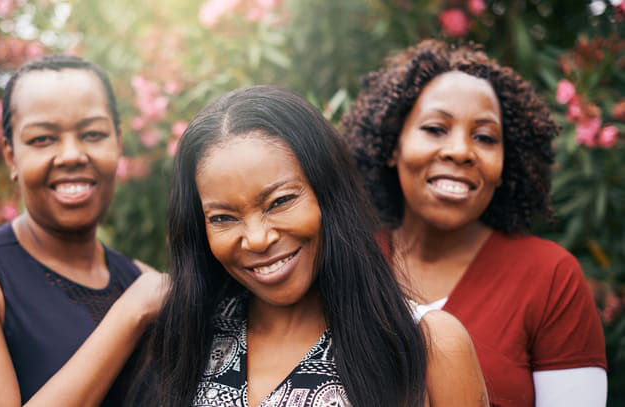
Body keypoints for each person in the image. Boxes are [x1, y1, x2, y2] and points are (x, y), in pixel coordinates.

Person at [126, 85, 488, 406]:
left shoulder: (428, 344)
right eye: (223, 218)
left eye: (280, 201)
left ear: (328, 194)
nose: (257, 238)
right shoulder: (191, 339)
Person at [341, 40, 607, 407]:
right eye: (435, 128)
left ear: (504, 166)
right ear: (392, 145)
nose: (461, 151)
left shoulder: (550, 278)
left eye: (484, 137)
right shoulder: (348, 261)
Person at [0, 55, 169, 406]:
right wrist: (130, 315)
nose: (71, 155)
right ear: (11, 157)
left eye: (93, 134)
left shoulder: (142, 280)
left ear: (118, 143)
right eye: (42, 139)